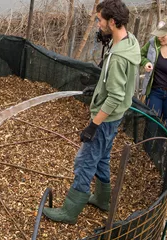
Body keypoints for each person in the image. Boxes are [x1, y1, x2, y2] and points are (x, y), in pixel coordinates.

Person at [43, 0, 141, 224]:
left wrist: (93, 125)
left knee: (85, 162)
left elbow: (116, 96)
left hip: (105, 120)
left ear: (113, 22)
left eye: (100, 21)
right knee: (102, 158)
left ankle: (69, 211)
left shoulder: (117, 58)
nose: (98, 25)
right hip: (115, 118)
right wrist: (97, 89)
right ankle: (102, 199)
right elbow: (115, 87)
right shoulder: (129, 41)